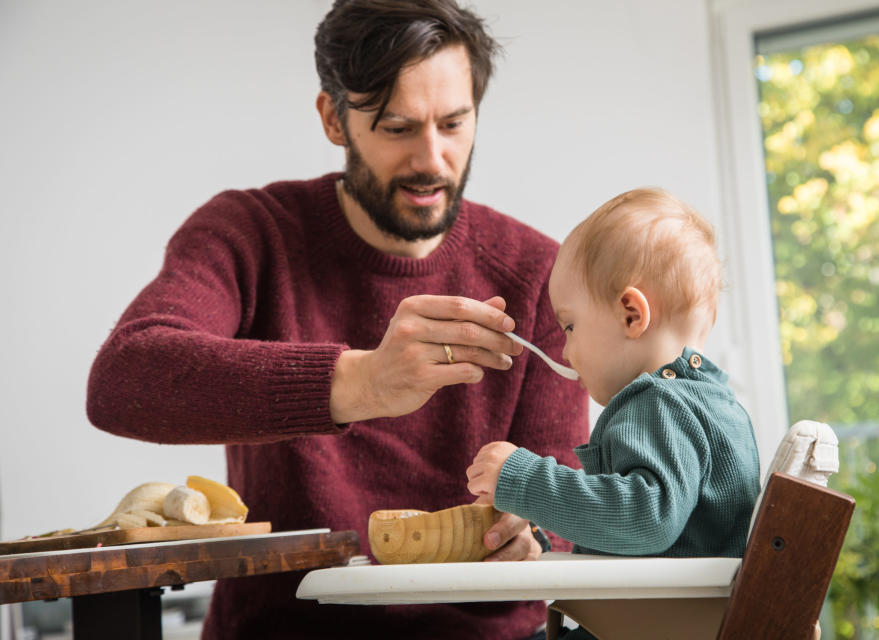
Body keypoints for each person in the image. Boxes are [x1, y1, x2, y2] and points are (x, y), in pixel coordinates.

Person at [85, 1, 589, 638]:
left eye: (455, 124)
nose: (432, 160)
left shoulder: (539, 272)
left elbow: (567, 498)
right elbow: (124, 380)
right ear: (334, 118)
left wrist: (538, 532)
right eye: (397, 127)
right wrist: (365, 382)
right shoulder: (251, 233)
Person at [466, 188, 761, 639]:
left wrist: (521, 480)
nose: (564, 349)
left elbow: (647, 517)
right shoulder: (717, 404)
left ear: (630, 315)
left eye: (569, 325)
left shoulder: (659, 403)